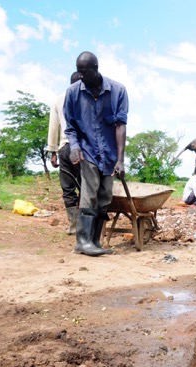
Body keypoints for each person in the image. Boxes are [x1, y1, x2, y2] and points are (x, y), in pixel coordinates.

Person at [64, 51, 128, 257]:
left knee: (105, 197)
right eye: (78, 72)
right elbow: (70, 126)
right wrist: (74, 146)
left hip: (109, 155)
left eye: (84, 72)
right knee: (89, 195)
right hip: (88, 150)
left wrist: (120, 159)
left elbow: (120, 126)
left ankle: (95, 241)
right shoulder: (73, 92)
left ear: (96, 69)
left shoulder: (117, 91)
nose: (80, 76)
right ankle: (82, 241)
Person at [47, 71, 82, 235]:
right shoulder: (87, 98)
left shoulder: (58, 99)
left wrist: (53, 152)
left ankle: (73, 225)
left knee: (68, 188)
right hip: (83, 149)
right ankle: (86, 225)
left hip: (64, 148)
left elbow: (53, 127)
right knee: (86, 187)